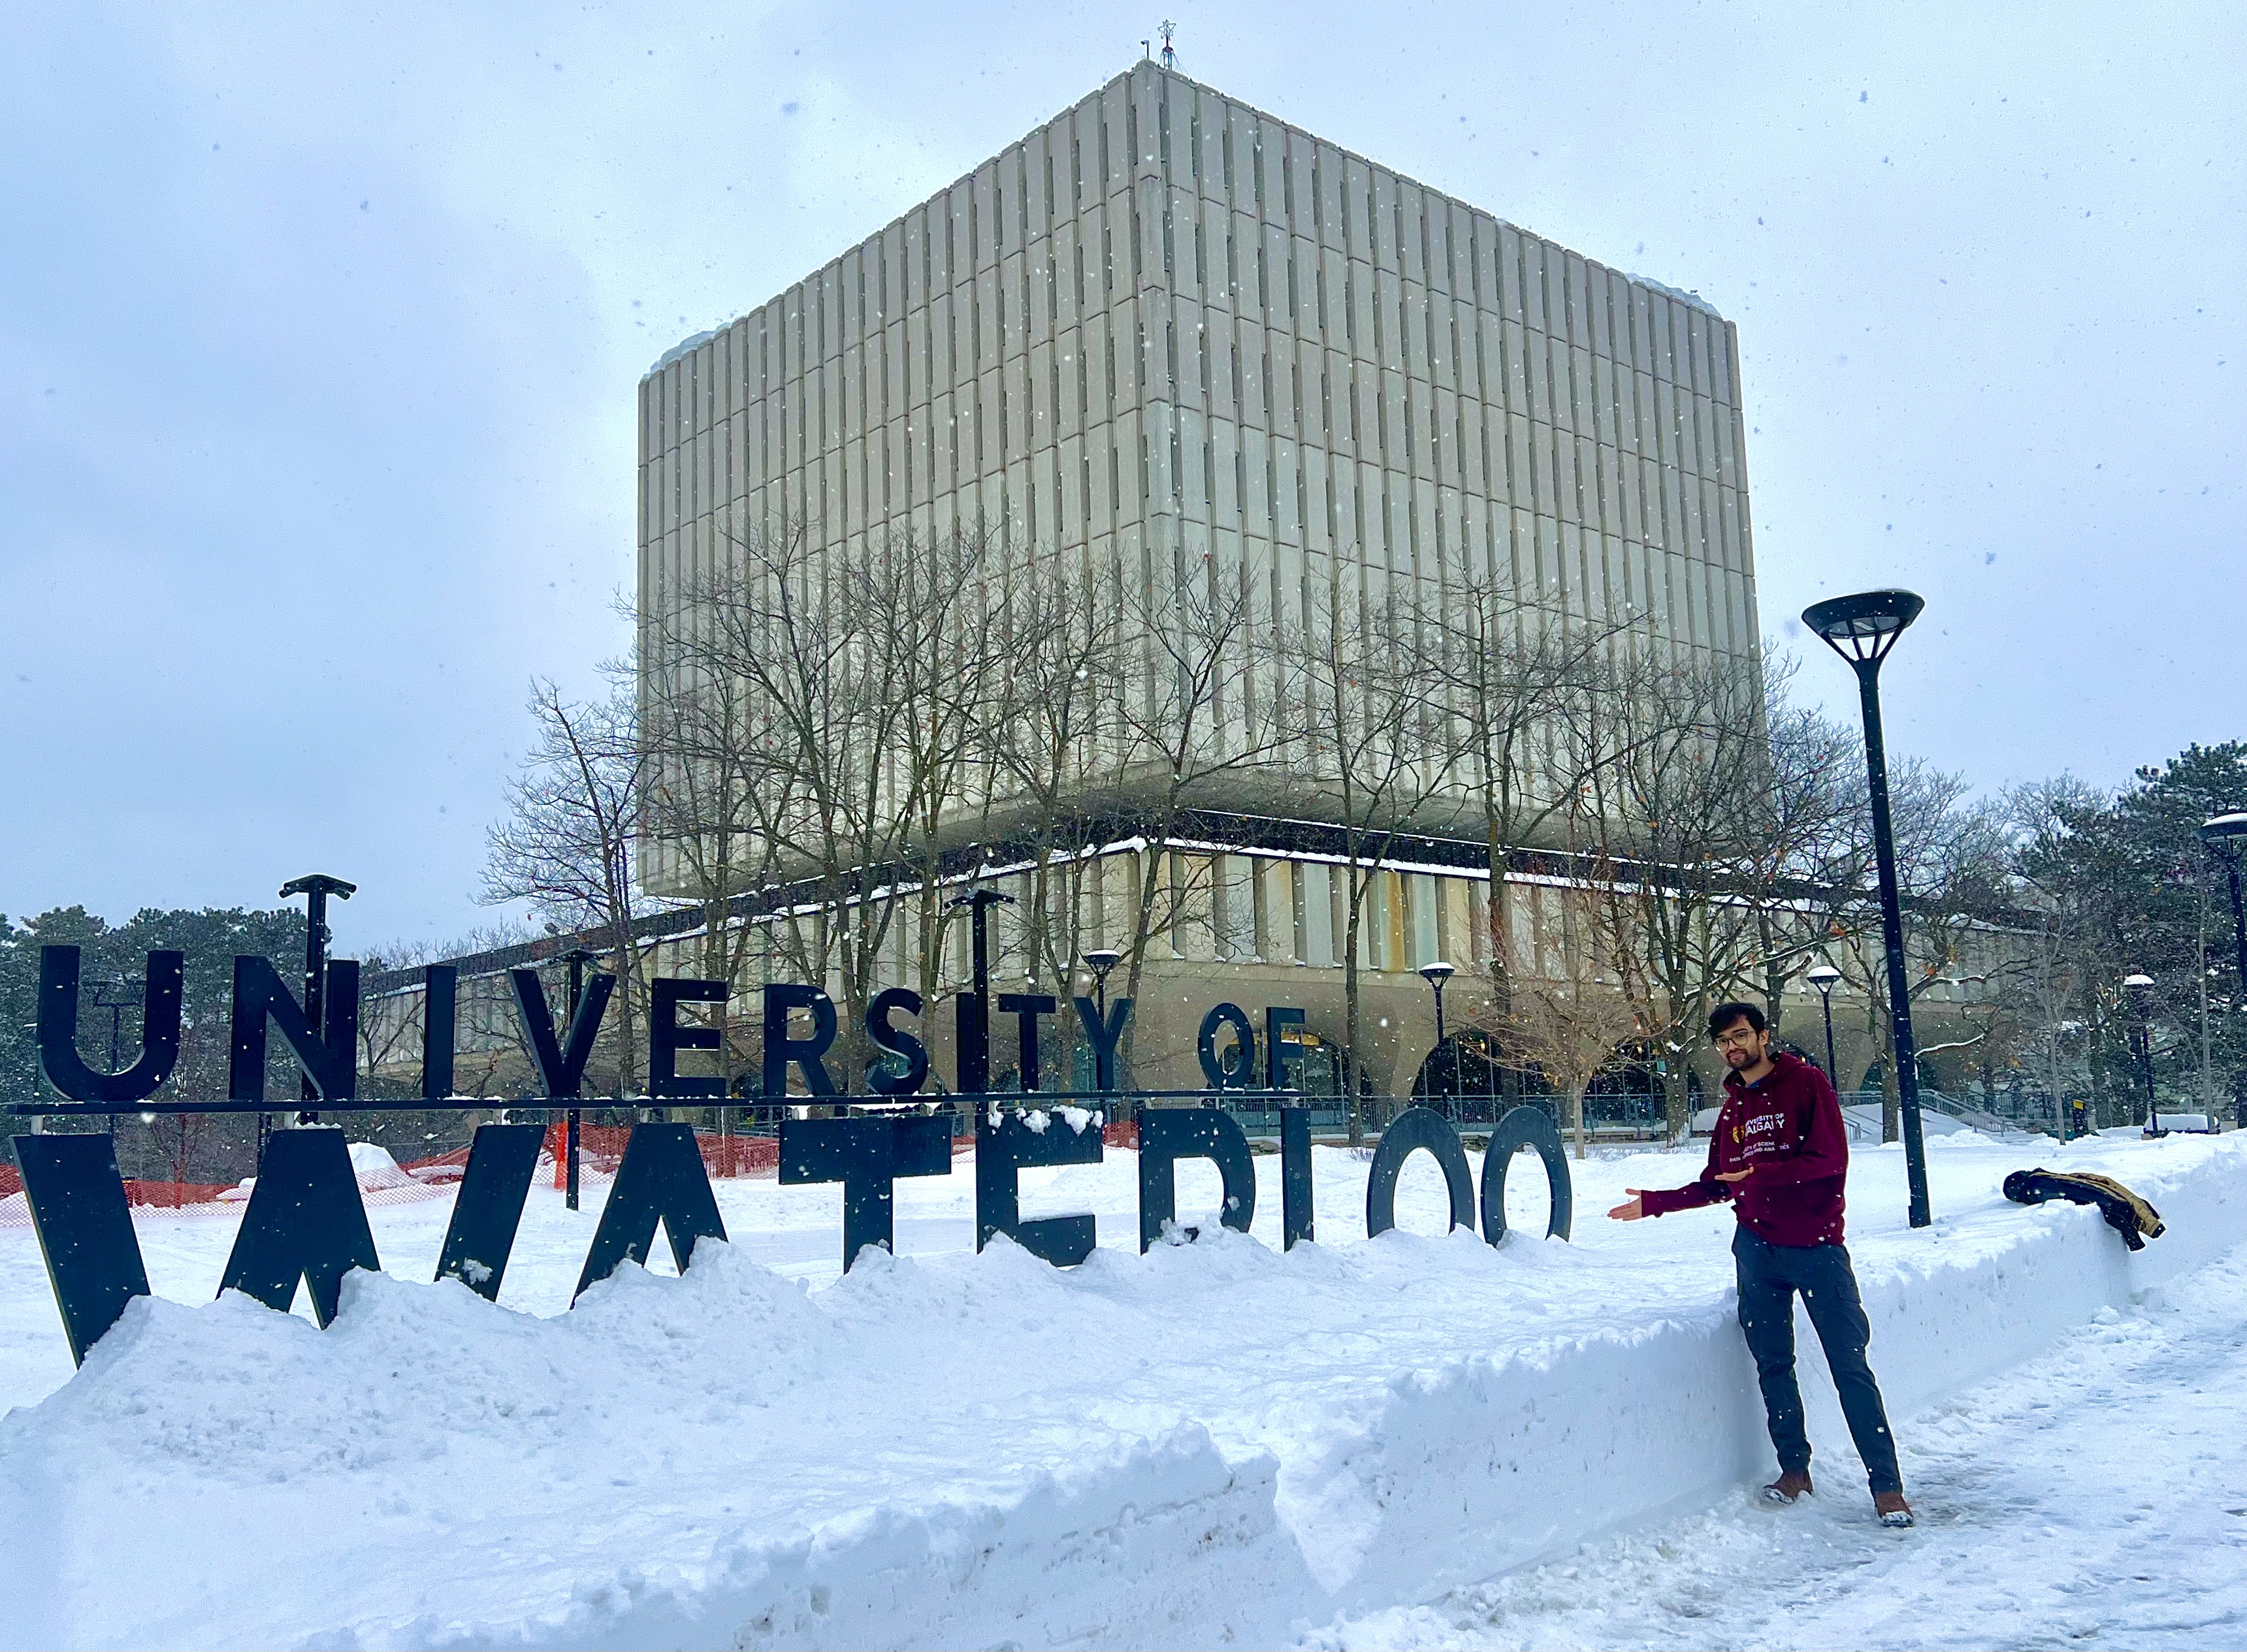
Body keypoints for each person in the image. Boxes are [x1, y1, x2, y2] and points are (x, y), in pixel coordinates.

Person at [1608, 1001, 1914, 1529]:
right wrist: (1658, 1202)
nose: (1733, 1047)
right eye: (1724, 1041)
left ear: (1763, 1035)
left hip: (1816, 1248)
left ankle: (1887, 1487)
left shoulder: (1806, 1084)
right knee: (1773, 1364)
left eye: (1741, 1035)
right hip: (1756, 1251)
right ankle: (1794, 1470)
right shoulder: (1733, 1109)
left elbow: (1830, 1160)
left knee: (1849, 1366)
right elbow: (1718, 1183)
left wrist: (1761, 1174)